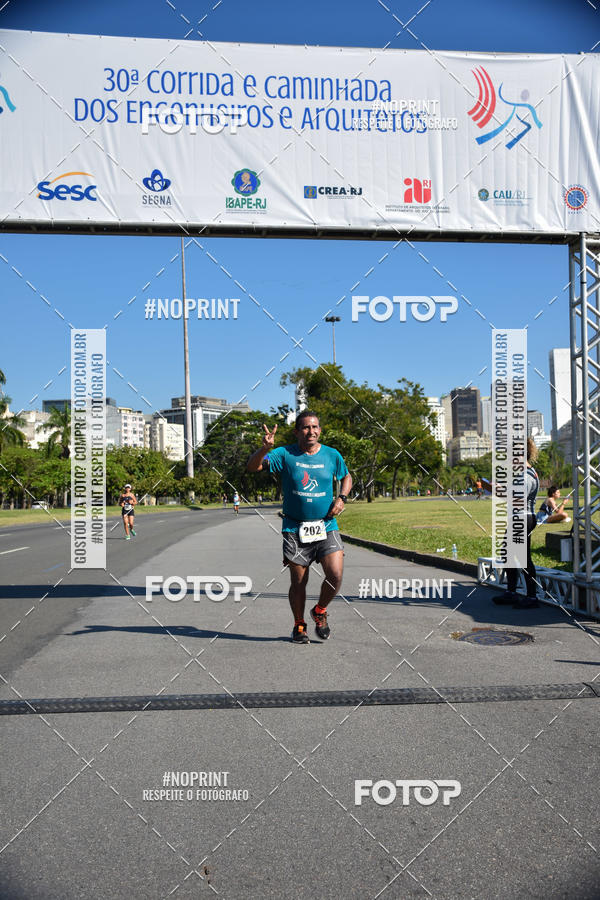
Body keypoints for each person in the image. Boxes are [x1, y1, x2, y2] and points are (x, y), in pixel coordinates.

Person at [247, 411, 352, 643]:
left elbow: (346, 477)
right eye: (305, 427)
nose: (311, 431)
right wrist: (264, 448)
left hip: (326, 525)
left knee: (335, 575)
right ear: (297, 432)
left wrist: (342, 498)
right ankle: (299, 625)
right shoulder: (284, 454)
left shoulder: (332, 455)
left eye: (315, 427)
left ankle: (320, 611)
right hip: (295, 528)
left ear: (320, 430)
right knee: (299, 581)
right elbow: (253, 467)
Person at [492, 438, 540, 608]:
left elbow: (517, 501)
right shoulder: (524, 474)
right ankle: (511, 592)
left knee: (523, 558)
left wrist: (498, 491)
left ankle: (532, 597)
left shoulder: (526, 476)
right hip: (520, 518)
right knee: (508, 554)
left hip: (522, 517)